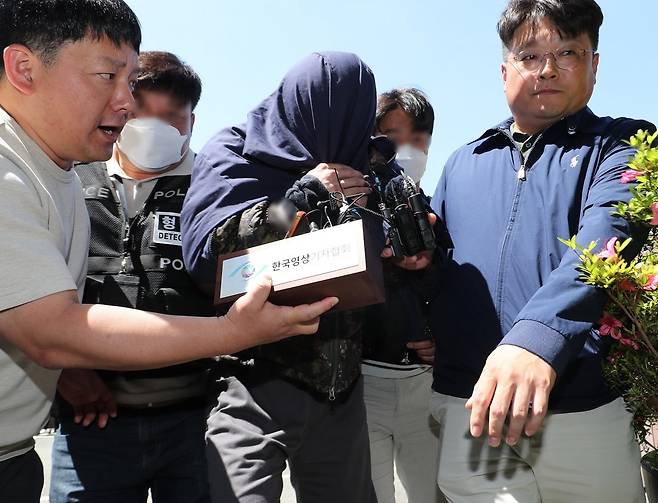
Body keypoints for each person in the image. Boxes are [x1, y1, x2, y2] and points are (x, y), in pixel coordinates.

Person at [0, 2, 335, 501]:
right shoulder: (44, 173)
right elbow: (50, 329)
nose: (124, 104)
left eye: (128, 80)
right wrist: (232, 332)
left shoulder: (203, 183)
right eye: (108, 77)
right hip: (93, 424)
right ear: (24, 68)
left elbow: (240, 251)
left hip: (175, 419)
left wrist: (299, 211)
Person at [428, 1, 655, 501]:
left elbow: (606, 242)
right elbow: (440, 271)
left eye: (569, 51)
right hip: (473, 414)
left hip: (583, 415)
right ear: (505, 69)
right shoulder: (463, 162)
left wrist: (535, 340)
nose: (548, 68)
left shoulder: (623, 145)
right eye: (530, 54)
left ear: (595, 63)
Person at [180, 51, 379, 503]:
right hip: (250, 378)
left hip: (339, 387)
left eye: (350, 121)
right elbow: (209, 256)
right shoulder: (235, 149)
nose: (335, 135)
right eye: (322, 115)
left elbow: (389, 261)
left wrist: (396, 232)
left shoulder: (365, 163)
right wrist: (299, 198)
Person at [49, 51, 214, 503]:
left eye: (171, 116)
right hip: (90, 421)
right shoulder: (68, 176)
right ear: (120, 108)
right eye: (142, 112)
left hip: (194, 426)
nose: (155, 127)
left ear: (191, 123)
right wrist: (65, 373)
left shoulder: (213, 190)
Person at [362, 88, 446, 503]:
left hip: (425, 388)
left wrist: (439, 336)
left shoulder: (438, 212)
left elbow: (459, 292)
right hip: (362, 386)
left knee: (431, 493)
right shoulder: (347, 209)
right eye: (394, 138)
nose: (407, 150)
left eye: (419, 140)